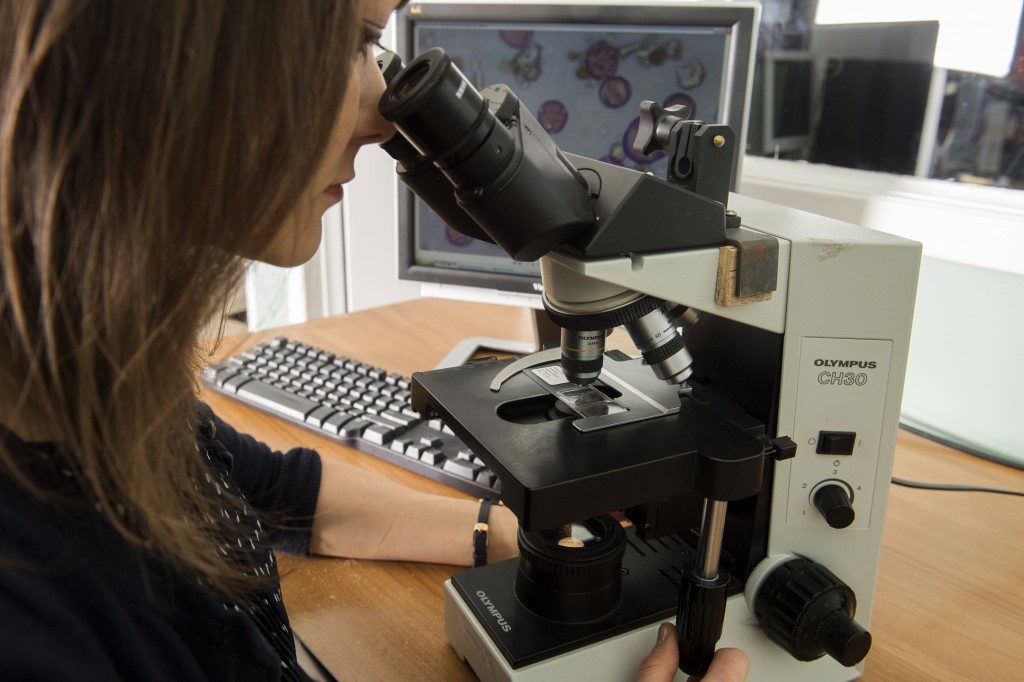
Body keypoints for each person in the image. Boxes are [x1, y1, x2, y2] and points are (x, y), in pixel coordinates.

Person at [0, 1, 747, 679]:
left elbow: (282, 493)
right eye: (354, 45)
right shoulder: (29, 620)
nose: (384, 118)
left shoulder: (96, 395)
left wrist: (502, 534)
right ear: (178, 60)